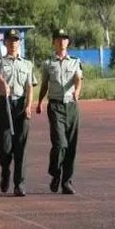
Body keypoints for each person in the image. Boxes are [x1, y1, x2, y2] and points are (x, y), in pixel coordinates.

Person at [37, 29, 83, 195]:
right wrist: (40, 102)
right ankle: (55, 172)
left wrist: (77, 91)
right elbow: (44, 85)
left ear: (68, 42)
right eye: (58, 39)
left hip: (71, 106)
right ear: (54, 42)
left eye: (64, 39)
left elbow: (78, 79)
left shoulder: (75, 61)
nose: (61, 42)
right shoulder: (48, 63)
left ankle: (66, 181)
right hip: (55, 106)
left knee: (71, 146)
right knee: (60, 144)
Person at [0, 29, 37, 196]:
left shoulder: (27, 64)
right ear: (5, 42)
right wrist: (2, 82)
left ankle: (19, 184)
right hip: (4, 104)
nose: (13, 43)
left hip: (21, 105)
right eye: (10, 40)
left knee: (21, 146)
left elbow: (29, 87)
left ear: (19, 43)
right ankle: (5, 170)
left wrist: (28, 106)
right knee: (5, 148)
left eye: (16, 40)